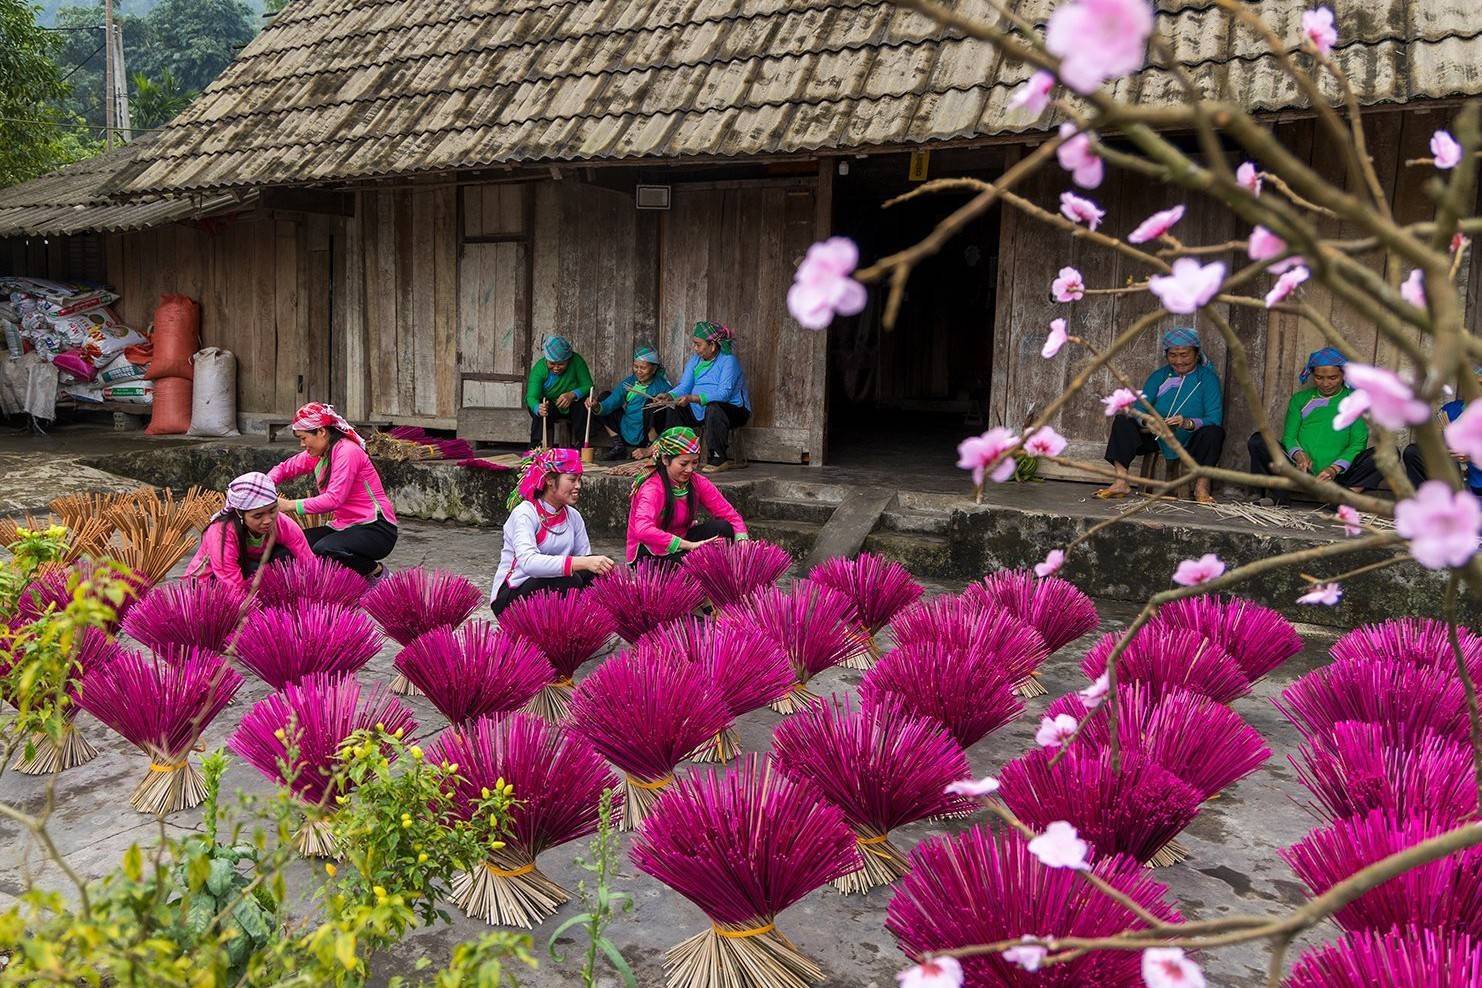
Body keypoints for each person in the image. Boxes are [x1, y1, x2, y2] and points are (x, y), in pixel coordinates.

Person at [268, 402, 398, 578]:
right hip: (344, 527)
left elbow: (333, 499)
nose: (301, 444)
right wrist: (262, 486)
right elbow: (284, 469)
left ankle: (378, 574)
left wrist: (288, 505)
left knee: (326, 549)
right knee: (289, 547)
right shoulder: (319, 454)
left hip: (376, 528)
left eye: (303, 438)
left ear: (321, 431)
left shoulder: (347, 452)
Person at [1097, 327, 1226, 503]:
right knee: (1123, 419)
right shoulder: (1159, 376)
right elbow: (1139, 408)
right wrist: (1148, 422)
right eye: (1173, 355)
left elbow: (1214, 418)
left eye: (1184, 354)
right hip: (1157, 436)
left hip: (1190, 440)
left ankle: (1201, 488)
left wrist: (1187, 423)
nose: (1179, 361)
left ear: (1196, 354)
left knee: (1214, 433)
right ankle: (1121, 481)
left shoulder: (1207, 379)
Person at [1247, 347, 1386, 503]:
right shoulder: (1300, 399)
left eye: (1333, 378)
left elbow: (1357, 444)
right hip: (1299, 470)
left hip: (1339, 475)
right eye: (1319, 377)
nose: (1325, 383)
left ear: (1344, 375)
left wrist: (1334, 469)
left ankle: (1345, 497)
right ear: (1312, 374)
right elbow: (1289, 437)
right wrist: (1299, 456)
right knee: (1259, 440)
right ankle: (1273, 496)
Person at [489, 447, 615, 614]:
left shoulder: (573, 517)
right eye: (572, 480)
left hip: (553, 587)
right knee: (567, 579)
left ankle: (582, 624)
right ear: (549, 480)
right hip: (512, 596)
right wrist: (581, 563)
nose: (578, 486)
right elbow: (529, 563)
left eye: (580, 480)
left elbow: (585, 562)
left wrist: (592, 564)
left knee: (599, 573)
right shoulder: (525, 513)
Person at [626, 426, 749, 565]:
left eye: (694, 462)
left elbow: (729, 515)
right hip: (650, 551)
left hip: (683, 540)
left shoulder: (697, 482)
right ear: (666, 459)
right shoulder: (652, 488)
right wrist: (688, 545)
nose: (690, 469)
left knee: (724, 528)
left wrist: (742, 539)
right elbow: (643, 529)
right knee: (693, 564)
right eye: (683, 463)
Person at [184, 471, 314, 592]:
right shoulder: (221, 533)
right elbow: (231, 583)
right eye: (258, 516)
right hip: (208, 584)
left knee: (285, 555)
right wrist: (252, 612)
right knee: (253, 571)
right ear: (240, 513)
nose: (268, 520)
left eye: (272, 511)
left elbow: (308, 561)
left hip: (249, 568)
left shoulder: (283, 524)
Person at [657, 321, 751, 473]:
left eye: (698, 344)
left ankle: (718, 457)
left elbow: (723, 394)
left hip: (733, 410)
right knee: (674, 408)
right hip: (700, 410)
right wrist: (669, 396)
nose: (695, 348)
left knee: (714, 407)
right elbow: (684, 386)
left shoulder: (729, 361)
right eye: (694, 344)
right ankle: (675, 452)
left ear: (712, 345)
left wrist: (693, 398)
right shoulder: (695, 360)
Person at [1401, 365, 1482, 497]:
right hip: (1452, 472)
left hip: (1477, 483)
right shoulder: (1450, 410)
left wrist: (1471, 456)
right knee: (1413, 451)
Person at [586, 344, 672, 461]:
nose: (638, 371)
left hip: (646, 435)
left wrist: (665, 400)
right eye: (636, 367)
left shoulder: (662, 386)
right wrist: (596, 405)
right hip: (625, 428)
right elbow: (611, 402)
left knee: (651, 403)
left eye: (643, 368)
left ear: (654, 369)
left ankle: (651, 448)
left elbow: (672, 411)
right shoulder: (629, 383)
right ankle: (618, 444)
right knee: (604, 397)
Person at [525, 335, 593, 449]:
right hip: (551, 406)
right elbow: (531, 397)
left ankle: (581, 445)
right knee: (543, 407)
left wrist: (572, 394)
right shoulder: (539, 369)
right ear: (546, 359)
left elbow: (588, 385)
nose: (556, 368)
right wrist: (538, 408)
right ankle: (535, 445)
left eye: (561, 364)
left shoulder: (576, 361)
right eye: (552, 363)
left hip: (572, 406)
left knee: (583, 404)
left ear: (568, 359)